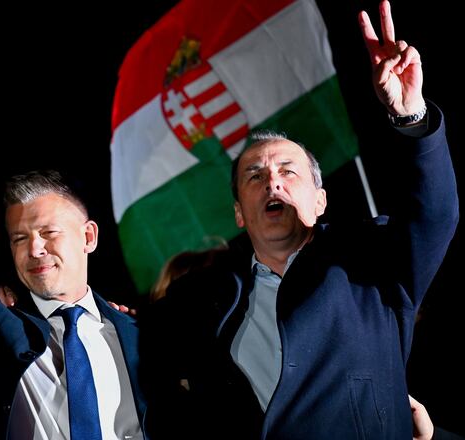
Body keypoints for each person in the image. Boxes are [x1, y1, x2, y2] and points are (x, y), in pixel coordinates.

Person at [141, 1, 459, 438]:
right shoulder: (201, 297)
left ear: (320, 201)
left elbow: (435, 214)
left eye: (288, 171)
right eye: (255, 176)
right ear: (238, 213)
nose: (272, 181)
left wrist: (411, 116)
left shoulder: (373, 263)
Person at [0, 52, 146, 439]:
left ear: (88, 236)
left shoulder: (139, 335)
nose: (34, 248)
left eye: (49, 233)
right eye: (19, 238)